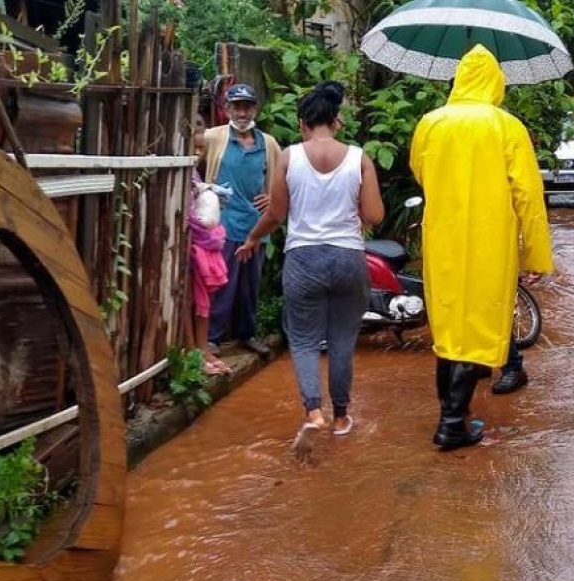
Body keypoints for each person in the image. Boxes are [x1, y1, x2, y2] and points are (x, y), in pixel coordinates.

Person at [410, 44, 553, 451]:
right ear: (495, 81)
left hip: (443, 240)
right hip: (491, 242)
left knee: (450, 325)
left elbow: (420, 171)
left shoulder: (431, 123)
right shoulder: (507, 127)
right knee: (480, 324)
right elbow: (529, 195)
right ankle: (452, 423)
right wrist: (536, 254)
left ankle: (451, 417)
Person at [236, 81, 384, 459]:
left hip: (303, 259)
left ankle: (314, 413)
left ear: (303, 122)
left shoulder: (288, 156)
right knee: (341, 342)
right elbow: (374, 216)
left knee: (302, 341)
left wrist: (252, 239)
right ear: (335, 120)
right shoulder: (359, 157)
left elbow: (276, 214)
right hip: (348, 257)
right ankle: (341, 419)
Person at [201, 83, 282, 359]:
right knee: (222, 281)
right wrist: (203, 192)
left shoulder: (268, 143)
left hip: (255, 225)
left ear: (255, 109)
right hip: (224, 224)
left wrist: (272, 196)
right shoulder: (213, 137)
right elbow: (191, 163)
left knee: (250, 284)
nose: (242, 112)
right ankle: (213, 338)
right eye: (237, 106)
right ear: (227, 109)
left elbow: (283, 177)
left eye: (247, 106)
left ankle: (247, 334)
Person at [184, 116, 231, 375]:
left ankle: (202, 348)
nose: (197, 153)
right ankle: (194, 352)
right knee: (190, 301)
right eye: (195, 147)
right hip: (190, 246)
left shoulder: (194, 172)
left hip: (204, 244)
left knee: (204, 301)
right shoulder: (181, 172)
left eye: (201, 149)